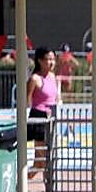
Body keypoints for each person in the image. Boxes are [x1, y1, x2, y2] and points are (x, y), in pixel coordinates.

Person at [26, 46, 59, 177]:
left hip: (51, 118)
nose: (51, 62)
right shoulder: (35, 79)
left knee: (38, 163)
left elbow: (55, 98)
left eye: (53, 59)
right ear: (40, 60)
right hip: (38, 118)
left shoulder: (52, 76)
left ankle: (17, 187)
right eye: (48, 59)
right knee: (46, 158)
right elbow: (27, 99)